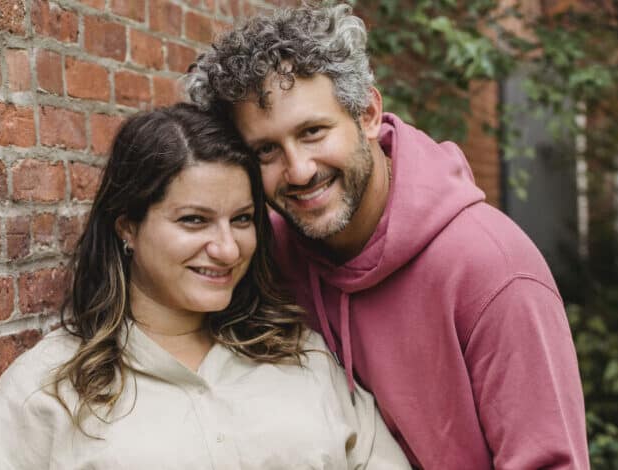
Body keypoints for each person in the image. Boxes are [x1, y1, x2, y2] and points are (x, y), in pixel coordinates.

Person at [185, 4, 590, 469]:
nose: (298, 170)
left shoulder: (492, 269)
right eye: (266, 150)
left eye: (313, 131)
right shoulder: (266, 254)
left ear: (369, 114)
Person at [0, 103, 410, 469]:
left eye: (242, 219)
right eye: (194, 220)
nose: (227, 249)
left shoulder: (304, 358)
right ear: (128, 227)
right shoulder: (46, 391)